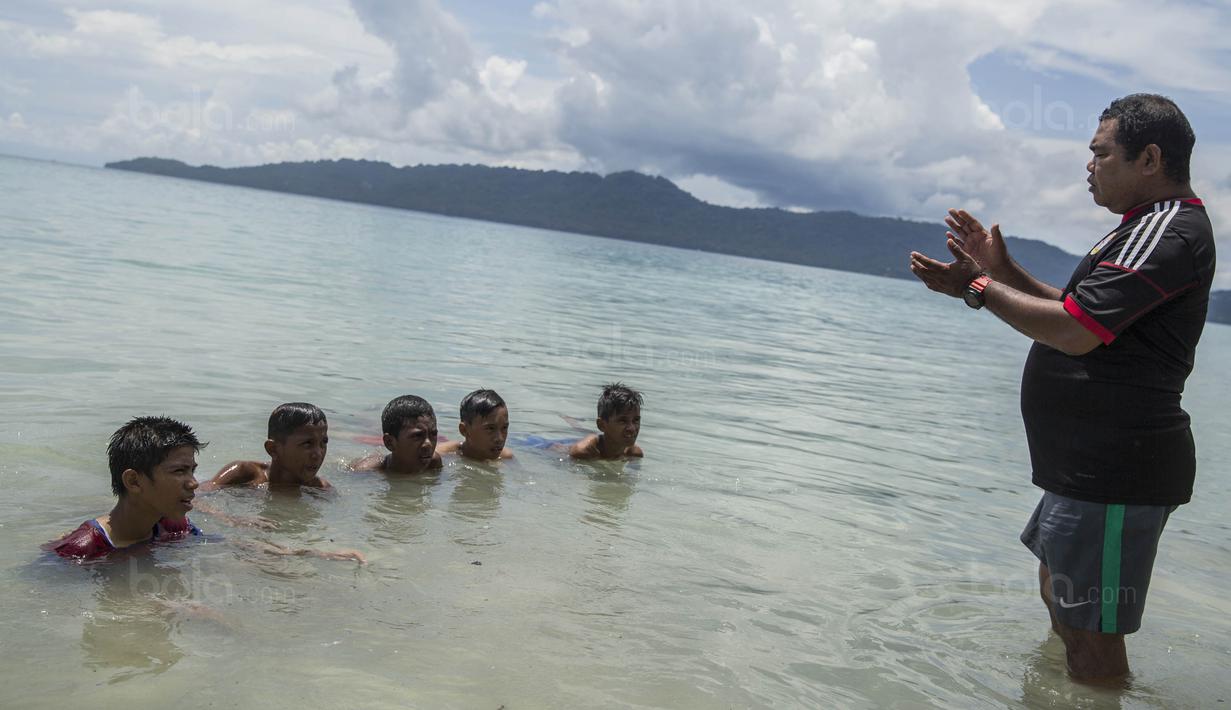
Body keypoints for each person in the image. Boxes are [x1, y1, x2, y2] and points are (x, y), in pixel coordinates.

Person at [909, 94, 1214, 681]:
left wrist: (974, 287)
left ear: (1149, 158)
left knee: (1092, 642)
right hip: (1087, 468)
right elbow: (1085, 311)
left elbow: (1075, 332)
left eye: (1101, 154)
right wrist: (1004, 273)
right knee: (1064, 606)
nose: (1089, 166)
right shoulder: (1140, 230)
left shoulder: (1166, 232)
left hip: (1116, 470)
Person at [46, 416, 204, 560]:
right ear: (134, 481)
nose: (194, 483)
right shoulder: (81, 549)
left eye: (192, 470)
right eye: (179, 471)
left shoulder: (174, 527)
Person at [200, 402, 332, 491]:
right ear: (273, 449)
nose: (318, 454)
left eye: (323, 443)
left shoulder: (320, 489)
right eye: (307, 444)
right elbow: (195, 498)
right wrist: (230, 519)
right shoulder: (245, 474)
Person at [351, 395, 443, 475]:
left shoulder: (433, 463)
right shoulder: (367, 471)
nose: (428, 444)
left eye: (433, 434)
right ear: (390, 443)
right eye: (417, 436)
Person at [569, 382, 644, 459]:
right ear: (602, 425)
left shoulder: (634, 453)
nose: (632, 428)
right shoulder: (583, 452)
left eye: (636, 420)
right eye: (622, 421)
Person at [436, 389, 513, 461]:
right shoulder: (442, 455)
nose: (500, 439)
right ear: (464, 430)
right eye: (490, 428)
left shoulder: (506, 457)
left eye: (504, 428)